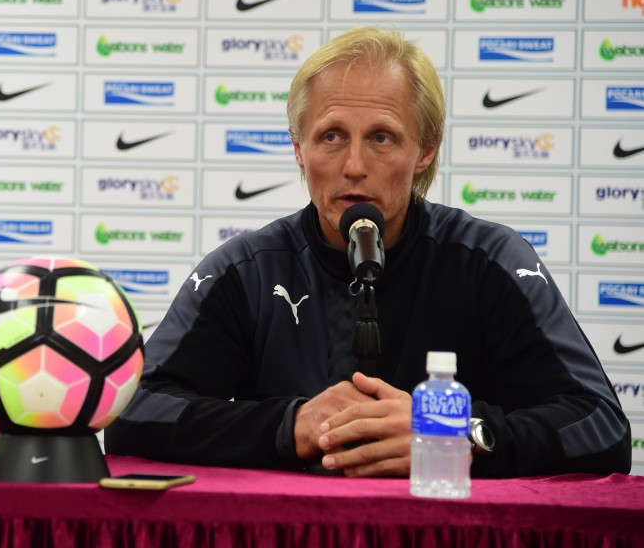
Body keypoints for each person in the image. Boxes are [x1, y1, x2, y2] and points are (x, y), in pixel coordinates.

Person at [105, 26, 631, 477]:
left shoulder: (488, 259)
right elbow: (133, 414)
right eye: (331, 136)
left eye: (381, 137)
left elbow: (601, 426)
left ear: (424, 149)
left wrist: (447, 432)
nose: (354, 165)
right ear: (298, 149)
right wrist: (290, 426)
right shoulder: (247, 270)